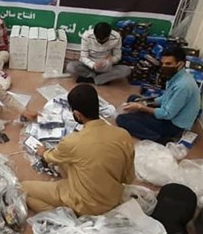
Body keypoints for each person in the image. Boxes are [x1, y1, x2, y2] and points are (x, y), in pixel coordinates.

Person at [21, 84, 135, 216]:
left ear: (77, 114)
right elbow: (128, 178)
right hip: (114, 197)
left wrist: (43, 152)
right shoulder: (123, 135)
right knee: (69, 162)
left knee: (23, 188)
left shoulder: (72, 141)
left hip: (87, 204)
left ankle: (66, 218)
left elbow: (51, 157)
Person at [116, 47, 200, 143]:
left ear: (180, 64)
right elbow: (165, 98)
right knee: (133, 98)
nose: (164, 66)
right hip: (170, 112)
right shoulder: (176, 76)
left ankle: (160, 139)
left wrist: (141, 107)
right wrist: (145, 102)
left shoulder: (183, 86)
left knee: (122, 119)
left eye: (168, 64)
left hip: (174, 125)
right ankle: (140, 116)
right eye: (162, 63)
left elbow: (166, 114)